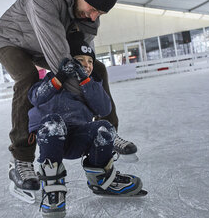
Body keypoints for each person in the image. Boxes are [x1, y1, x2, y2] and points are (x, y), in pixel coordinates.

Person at [0, 0, 121, 199]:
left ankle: (109, 134)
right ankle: (20, 161)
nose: (93, 17)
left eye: (99, 14)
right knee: (28, 78)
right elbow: (62, 61)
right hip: (11, 40)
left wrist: (96, 117)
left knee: (96, 69)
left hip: (43, 44)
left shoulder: (89, 15)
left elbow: (83, 57)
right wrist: (87, 102)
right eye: (92, 9)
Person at [28, 31, 145, 217]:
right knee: (53, 122)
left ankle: (100, 179)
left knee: (104, 128)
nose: (87, 65)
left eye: (90, 61)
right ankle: (53, 191)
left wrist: (85, 79)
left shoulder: (91, 83)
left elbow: (104, 108)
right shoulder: (51, 78)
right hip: (52, 139)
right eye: (81, 60)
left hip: (77, 138)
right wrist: (59, 77)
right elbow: (35, 97)